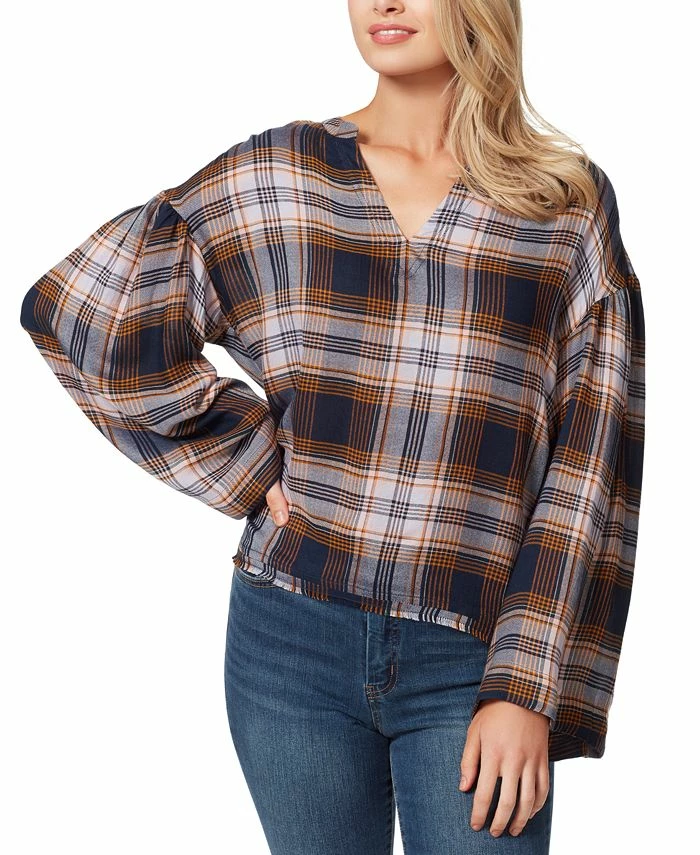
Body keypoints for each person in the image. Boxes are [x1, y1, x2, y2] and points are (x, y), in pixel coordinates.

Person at [18, 0, 645, 853]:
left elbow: (591, 464)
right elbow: (84, 313)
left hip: (473, 653)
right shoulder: (280, 175)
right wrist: (243, 459)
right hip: (288, 641)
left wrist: (527, 685)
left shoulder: (561, 204)